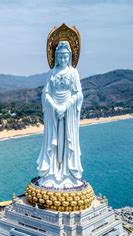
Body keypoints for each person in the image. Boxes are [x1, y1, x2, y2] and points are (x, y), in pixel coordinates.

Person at [36, 40, 84, 188]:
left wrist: (66, 106)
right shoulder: (52, 73)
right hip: (53, 112)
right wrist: (55, 106)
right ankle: (51, 173)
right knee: (53, 142)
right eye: (60, 57)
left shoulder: (73, 73)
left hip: (68, 113)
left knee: (67, 142)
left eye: (65, 57)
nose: (63, 60)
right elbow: (45, 94)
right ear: (55, 57)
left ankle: (67, 174)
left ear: (69, 56)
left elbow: (79, 94)